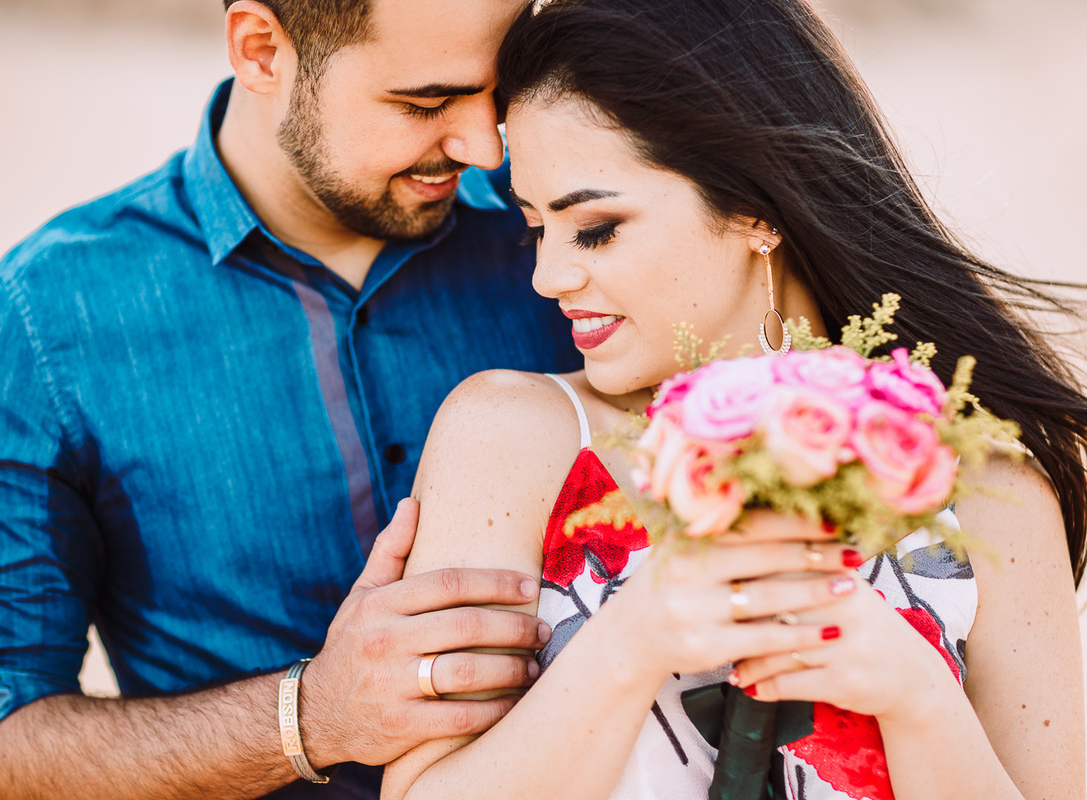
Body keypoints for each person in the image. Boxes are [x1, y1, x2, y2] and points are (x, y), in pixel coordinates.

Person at [381, 1, 1087, 798]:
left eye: (597, 228)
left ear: (756, 209)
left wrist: (916, 697)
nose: (548, 277)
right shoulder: (514, 437)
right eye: (534, 227)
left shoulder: (990, 490)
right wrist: (633, 641)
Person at [0, 1, 582, 799]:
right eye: (426, 103)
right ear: (261, 51)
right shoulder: (45, 318)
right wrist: (311, 716)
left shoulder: (570, 228)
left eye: (495, 94)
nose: (481, 145)